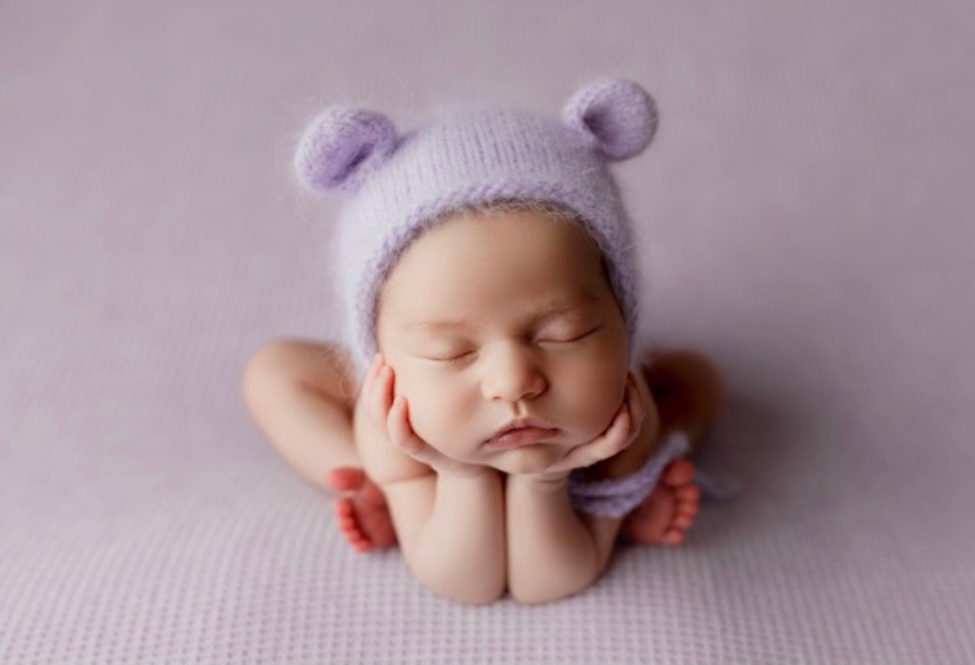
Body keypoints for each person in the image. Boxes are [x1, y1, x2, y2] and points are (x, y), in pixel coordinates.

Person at [242, 77, 723, 605]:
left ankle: (623, 494)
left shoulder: (621, 416)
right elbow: (466, 584)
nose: (513, 381)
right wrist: (456, 473)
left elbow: (548, 582)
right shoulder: (392, 415)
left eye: (566, 334)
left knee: (696, 378)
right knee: (273, 372)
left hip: (573, 452)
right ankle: (372, 485)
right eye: (451, 351)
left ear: (620, 318)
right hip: (422, 448)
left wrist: (548, 476)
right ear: (383, 358)